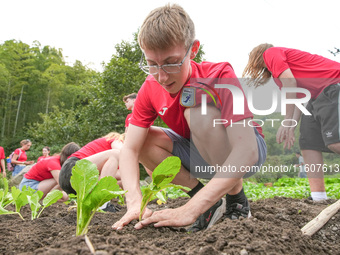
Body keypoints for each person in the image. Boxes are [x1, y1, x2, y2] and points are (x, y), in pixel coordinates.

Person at [112, 4, 267, 232]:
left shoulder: (219, 75)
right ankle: (210, 204)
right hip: (198, 152)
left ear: (193, 50)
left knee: (198, 112)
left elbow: (247, 151)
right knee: (140, 139)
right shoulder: (150, 87)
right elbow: (130, 150)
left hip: (247, 150)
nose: (162, 76)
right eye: (152, 64)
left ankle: (237, 201)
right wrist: (134, 201)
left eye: (172, 62)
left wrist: (190, 208)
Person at [243, 44, 340, 201]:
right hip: (316, 97)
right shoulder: (277, 78)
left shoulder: (271, 52)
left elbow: (290, 82)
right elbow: (298, 99)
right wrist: (291, 125)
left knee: (335, 142)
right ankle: (319, 197)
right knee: (308, 144)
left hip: (334, 86)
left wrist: (287, 121)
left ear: (257, 55)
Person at [59, 132, 124, 212]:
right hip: (71, 169)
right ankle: (102, 205)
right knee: (116, 153)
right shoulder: (117, 139)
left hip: (76, 182)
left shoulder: (110, 163)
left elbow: (123, 176)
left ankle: (100, 204)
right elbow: (122, 151)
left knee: (122, 178)